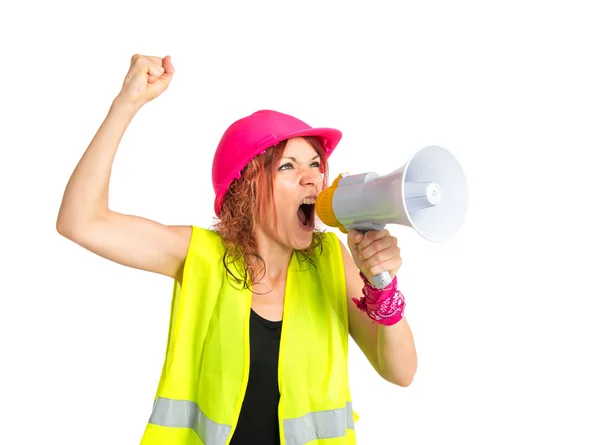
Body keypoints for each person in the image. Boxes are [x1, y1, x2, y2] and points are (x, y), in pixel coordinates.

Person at [56, 54, 417, 445]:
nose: (313, 177)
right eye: (287, 166)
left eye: (316, 163)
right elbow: (80, 221)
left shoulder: (331, 257)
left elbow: (401, 372)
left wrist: (382, 284)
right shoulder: (200, 256)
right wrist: (125, 103)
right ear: (246, 187)